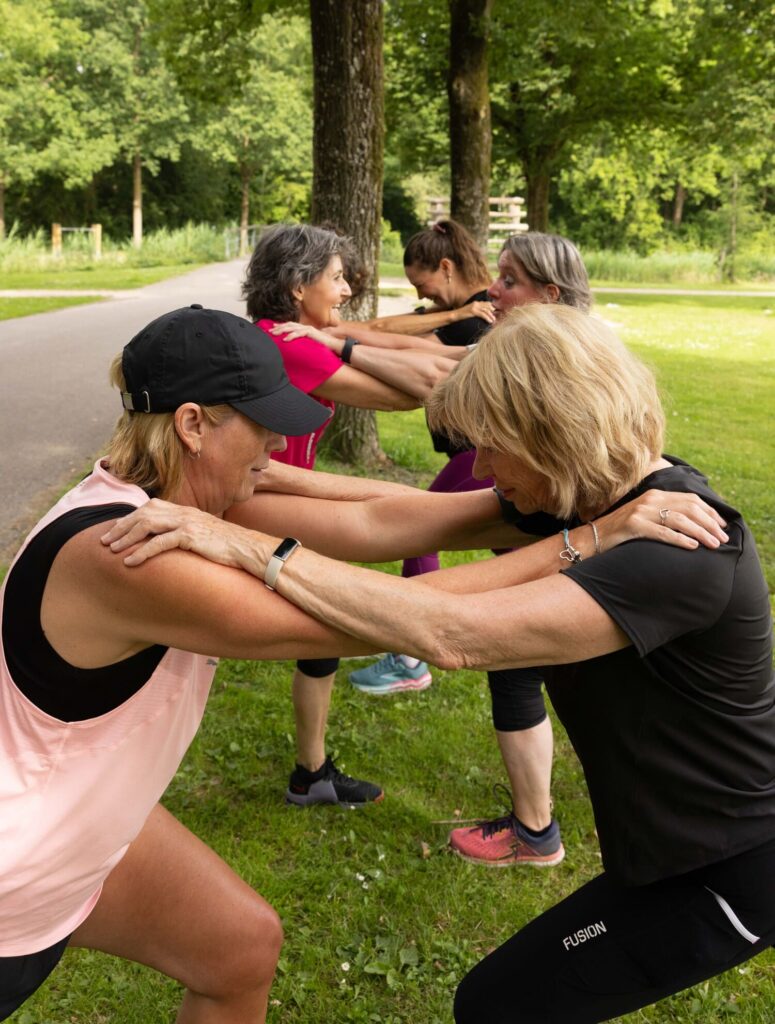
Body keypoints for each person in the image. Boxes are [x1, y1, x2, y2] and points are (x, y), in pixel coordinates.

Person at [106, 302, 774, 1024]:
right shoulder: (591, 502)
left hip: (728, 868)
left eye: (491, 446)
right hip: (666, 857)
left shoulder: (676, 548)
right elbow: (382, 511)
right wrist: (241, 484)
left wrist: (241, 546)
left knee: (498, 1004)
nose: (477, 467)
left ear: (554, 432)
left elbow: (449, 631)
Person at [0, 304, 393, 1022]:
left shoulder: (171, 500)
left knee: (239, 946)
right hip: (15, 879)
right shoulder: (129, 552)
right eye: (260, 421)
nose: (276, 442)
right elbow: (405, 622)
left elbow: (373, 518)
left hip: (77, 823)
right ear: (192, 425)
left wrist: (521, 512)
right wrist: (580, 562)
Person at [349, 231, 595, 870]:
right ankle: (538, 826)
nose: (494, 290)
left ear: (551, 294)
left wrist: (331, 345)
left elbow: (432, 370)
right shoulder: (559, 351)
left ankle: (537, 831)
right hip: (563, 539)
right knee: (537, 672)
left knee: (521, 666)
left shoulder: (545, 364)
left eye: (510, 281)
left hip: (567, 542)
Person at [242, 223, 456, 808]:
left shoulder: (293, 334)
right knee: (392, 527)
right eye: (335, 279)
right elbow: (407, 393)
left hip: (289, 494)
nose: (344, 291)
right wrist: (357, 346)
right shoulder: (286, 344)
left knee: (323, 626)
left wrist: (448, 340)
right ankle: (414, 649)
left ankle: (310, 774)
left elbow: (391, 339)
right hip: (261, 499)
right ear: (295, 288)